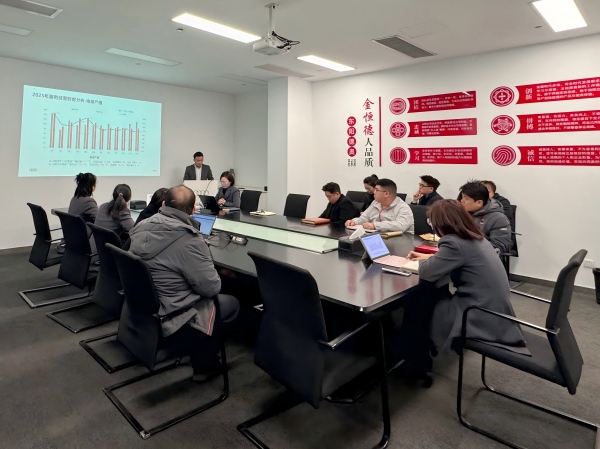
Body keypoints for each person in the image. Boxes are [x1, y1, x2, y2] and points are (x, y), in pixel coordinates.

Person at [128, 185, 239, 381]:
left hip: (145, 307)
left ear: (163, 204)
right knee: (232, 303)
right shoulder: (190, 239)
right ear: (193, 210)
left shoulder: (141, 226)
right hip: (176, 313)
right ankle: (205, 363)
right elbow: (211, 288)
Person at [404, 200, 528, 356]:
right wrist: (430, 257)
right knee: (430, 295)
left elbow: (426, 272)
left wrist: (425, 261)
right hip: (496, 309)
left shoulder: (453, 242)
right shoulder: (475, 236)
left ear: (440, 223)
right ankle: (418, 349)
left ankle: (413, 353)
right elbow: (461, 257)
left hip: (477, 312)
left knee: (418, 300)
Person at [459, 180, 512, 254]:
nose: (462, 201)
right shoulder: (463, 213)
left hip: (481, 257)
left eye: (466, 198)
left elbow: (499, 246)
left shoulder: (498, 218)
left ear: (479, 203)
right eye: (462, 197)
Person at [345, 179, 414, 232]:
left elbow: (400, 226)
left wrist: (375, 225)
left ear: (386, 194)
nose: (374, 192)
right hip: (378, 238)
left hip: (400, 241)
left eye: (376, 190)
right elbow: (364, 218)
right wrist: (353, 222)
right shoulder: (375, 203)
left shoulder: (403, 207)